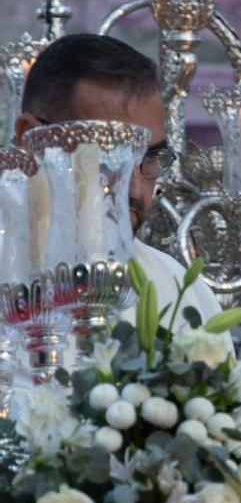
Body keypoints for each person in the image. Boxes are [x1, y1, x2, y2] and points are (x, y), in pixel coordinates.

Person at [12, 33, 224, 328]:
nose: (134, 188)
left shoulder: (183, 294)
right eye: (107, 154)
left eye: (150, 157)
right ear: (32, 141)